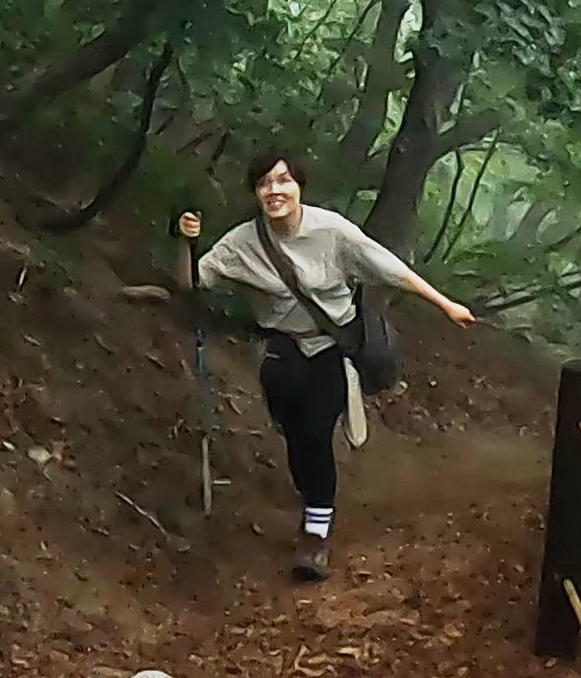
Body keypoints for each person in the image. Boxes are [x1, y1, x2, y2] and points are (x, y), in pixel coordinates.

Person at [181, 152, 472, 582]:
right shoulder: (241, 243)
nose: (274, 190)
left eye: (284, 180)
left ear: (299, 186)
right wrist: (184, 241)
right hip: (281, 350)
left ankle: (316, 533)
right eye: (264, 183)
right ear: (256, 193)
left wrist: (446, 305)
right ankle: (313, 496)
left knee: (316, 433)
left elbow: (390, 269)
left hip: (332, 348)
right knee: (296, 435)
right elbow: (190, 282)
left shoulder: (332, 231)